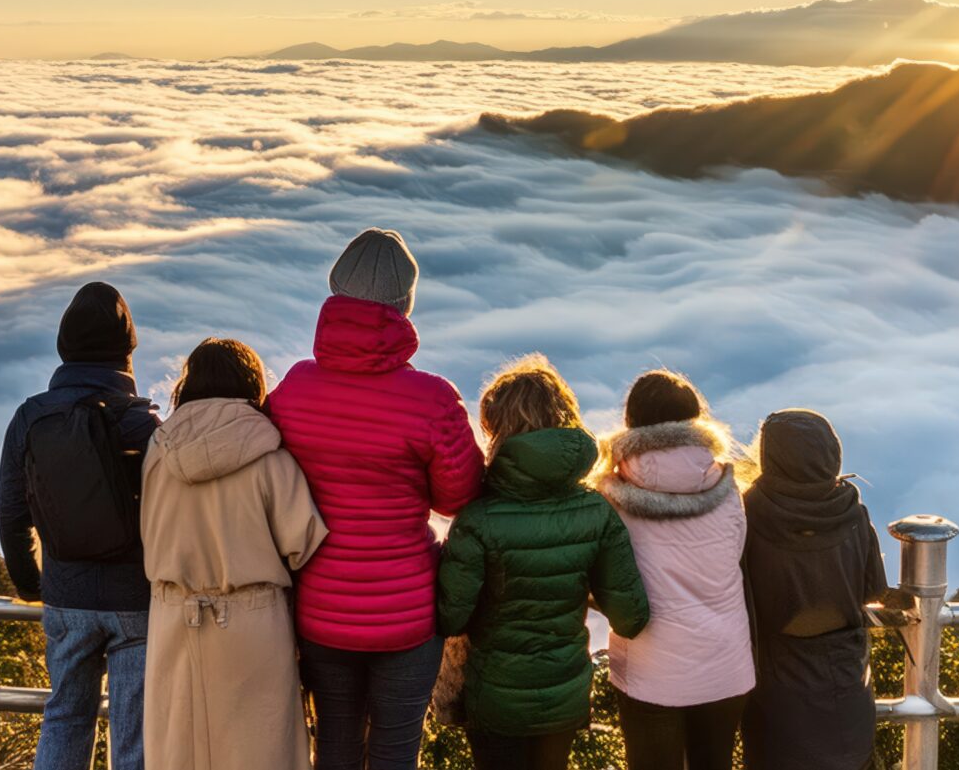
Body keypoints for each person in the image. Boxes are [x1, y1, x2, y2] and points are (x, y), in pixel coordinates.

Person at [269, 227, 484, 770]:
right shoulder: (432, 399)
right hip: (408, 614)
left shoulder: (294, 388)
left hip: (320, 607)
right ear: (403, 307)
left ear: (334, 295)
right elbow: (459, 497)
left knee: (335, 747)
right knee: (394, 753)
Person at [437, 355, 650, 770]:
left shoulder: (478, 519)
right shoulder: (596, 512)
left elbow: (450, 618)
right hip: (565, 697)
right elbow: (631, 617)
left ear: (498, 431)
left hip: (495, 701)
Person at [140, 338, 329, 770]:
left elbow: (147, 529)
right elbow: (301, 541)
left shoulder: (157, 451)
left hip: (173, 616)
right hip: (253, 623)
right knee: (260, 752)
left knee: (178, 751)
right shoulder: (271, 458)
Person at [0, 282, 160, 770]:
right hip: (134, 600)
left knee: (65, 717)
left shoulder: (29, 417)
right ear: (126, 350)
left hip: (65, 597)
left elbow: (11, 514)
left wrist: (33, 585)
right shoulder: (142, 424)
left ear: (64, 348)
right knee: (133, 733)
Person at [595, 370, 755, 770]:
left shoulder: (610, 496)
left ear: (632, 421)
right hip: (726, 664)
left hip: (652, 672)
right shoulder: (728, 487)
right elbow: (733, 552)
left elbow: (603, 577)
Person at [741, 409, 897, 770]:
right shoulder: (852, 512)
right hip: (846, 685)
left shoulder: (749, 513)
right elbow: (873, 589)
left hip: (777, 691)